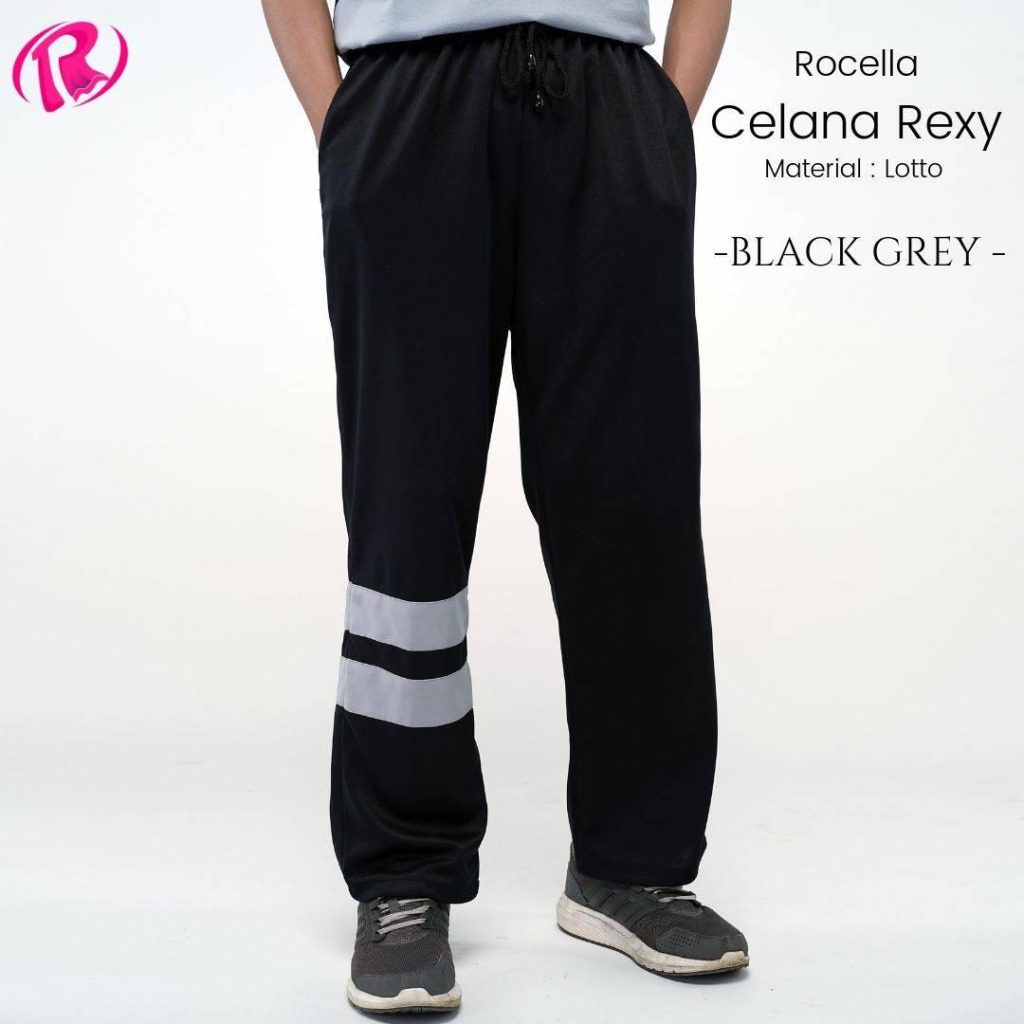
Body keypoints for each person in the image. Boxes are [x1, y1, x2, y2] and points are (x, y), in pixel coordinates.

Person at [262, 0, 743, 1011]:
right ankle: (403, 873)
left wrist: (664, 119)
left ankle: (632, 865)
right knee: (406, 507)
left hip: (610, 107)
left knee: (633, 502)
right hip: (406, 104)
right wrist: (338, 123)